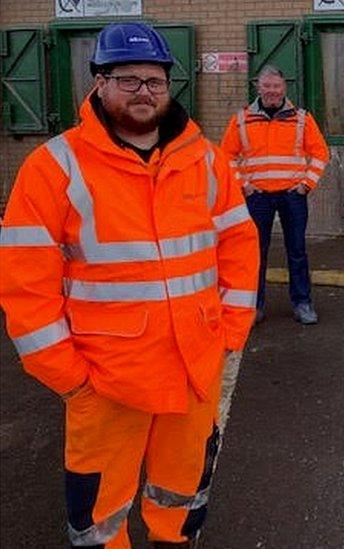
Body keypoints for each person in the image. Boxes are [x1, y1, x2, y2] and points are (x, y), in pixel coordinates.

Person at [0, 22, 258, 548]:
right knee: (101, 512)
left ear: (168, 86)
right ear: (99, 83)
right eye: (128, 79)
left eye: (155, 80)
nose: (144, 90)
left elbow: (239, 248)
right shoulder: (53, 167)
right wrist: (70, 377)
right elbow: (26, 286)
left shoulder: (206, 159)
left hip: (195, 369)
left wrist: (230, 334)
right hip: (106, 378)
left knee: (181, 492)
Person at [220, 65, 329, 325]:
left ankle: (302, 303)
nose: (271, 91)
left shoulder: (302, 118)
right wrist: (244, 185)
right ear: (258, 87)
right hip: (257, 197)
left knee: (297, 251)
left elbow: (320, 153)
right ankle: (254, 306)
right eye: (266, 86)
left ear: (284, 88)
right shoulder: (241, 119)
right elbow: (225, 156)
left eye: (276, 86)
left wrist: (305, 185)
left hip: (293, 196)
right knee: (255, 253)